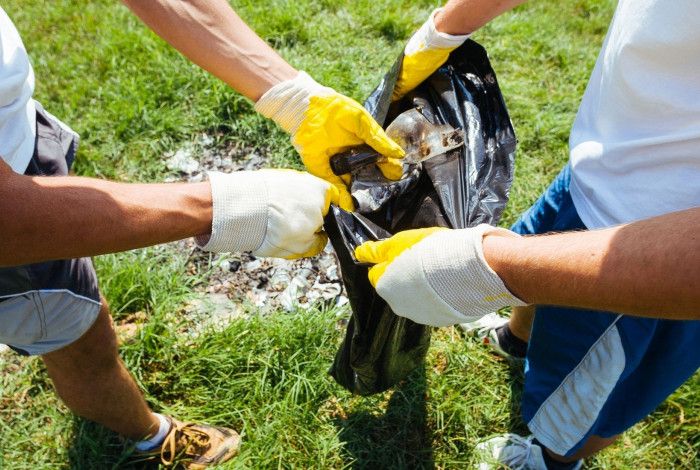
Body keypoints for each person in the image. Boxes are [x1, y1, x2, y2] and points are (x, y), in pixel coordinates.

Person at [0, 1, 404, 467]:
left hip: (18, 143)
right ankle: (151, 438)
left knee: (76, 304)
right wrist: (232, 207)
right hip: (15, 222)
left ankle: (85, 319)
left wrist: (294, 97)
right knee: (81, 352)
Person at [355, 1, 700, 468]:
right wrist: (440, 31)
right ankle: (515, 341)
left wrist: (489, 265)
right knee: (535, 257)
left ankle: (553, 457)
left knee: (588, 391)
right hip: (601, 164)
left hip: (659, 246)